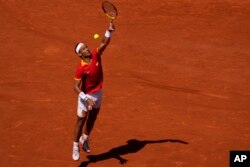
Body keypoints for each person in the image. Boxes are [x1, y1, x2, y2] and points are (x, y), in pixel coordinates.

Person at [72, 22, 115, 161]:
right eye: (84, 49)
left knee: (93, 117)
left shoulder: (96, 55)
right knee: (81, 120)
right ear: (80, 54)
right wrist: (86, 98)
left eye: (86, 47)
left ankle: (84, 139)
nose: (87, 49)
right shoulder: (81, 68)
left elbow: (104, 43)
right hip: (85, 96)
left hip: (97, 93)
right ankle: (75, 146)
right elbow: (75, 86)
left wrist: (109, 32)